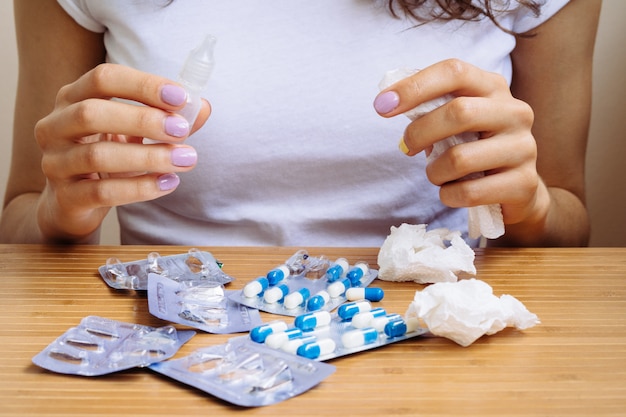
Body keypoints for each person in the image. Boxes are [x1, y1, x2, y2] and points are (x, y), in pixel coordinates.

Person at [0, 0, 600, 247]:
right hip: (183, 348)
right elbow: (20, 218)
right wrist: (63, 210)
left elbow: (570, 221)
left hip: (429, 338)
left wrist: (532, 203)